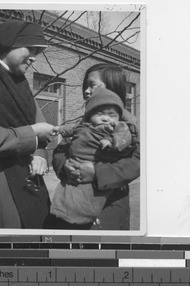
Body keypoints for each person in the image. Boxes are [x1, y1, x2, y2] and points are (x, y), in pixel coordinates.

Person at [51, 63, 140, 230]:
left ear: (112, 87)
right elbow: (60, 149)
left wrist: (97, 172)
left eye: (92, 85)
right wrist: (64, 166)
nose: (86, 90)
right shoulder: (88, 120)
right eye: (85, 85)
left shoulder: (128, 125)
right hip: (73, 199)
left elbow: (138, 162)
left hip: (110, 203)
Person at [0, 19, 58, 228]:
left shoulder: (21, 84)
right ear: (10, 42)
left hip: (28, 178)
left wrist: (39, 156)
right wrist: (32, 134)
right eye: (31, 49)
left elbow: (40, 129)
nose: (34, 58)